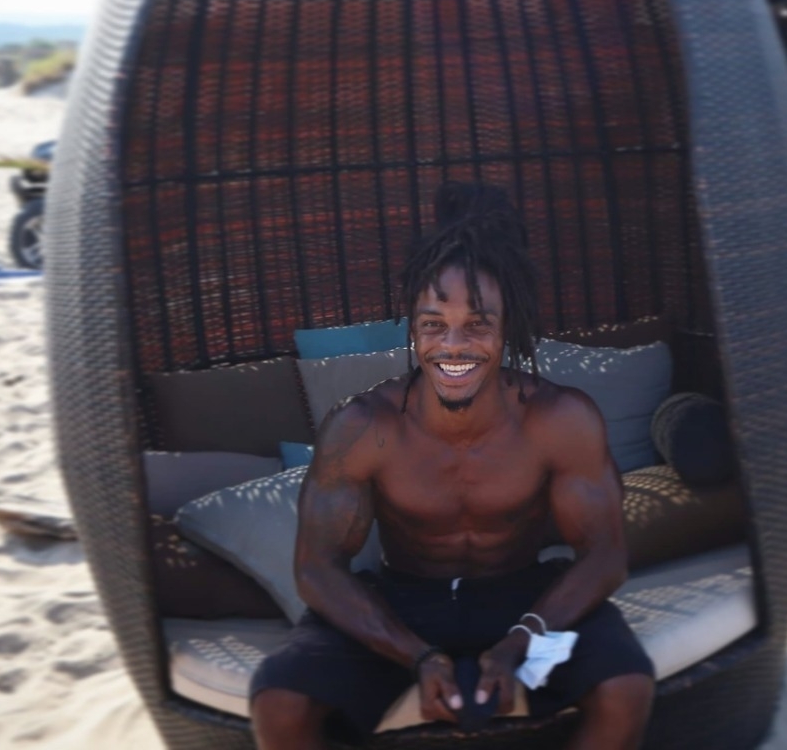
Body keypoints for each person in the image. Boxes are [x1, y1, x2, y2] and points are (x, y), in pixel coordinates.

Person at [250, 182, 654, 748]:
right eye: (434, 324)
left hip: (524, 598)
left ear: (508, 328)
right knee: (280, 701)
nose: (454, 346)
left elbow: (605, 555)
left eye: (478, 324)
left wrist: (520, 642)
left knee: (626, 689)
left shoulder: (559, 418)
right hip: (402, 601)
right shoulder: (363, 426)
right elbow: (317, 568)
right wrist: (418, 655)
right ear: (413, 329)